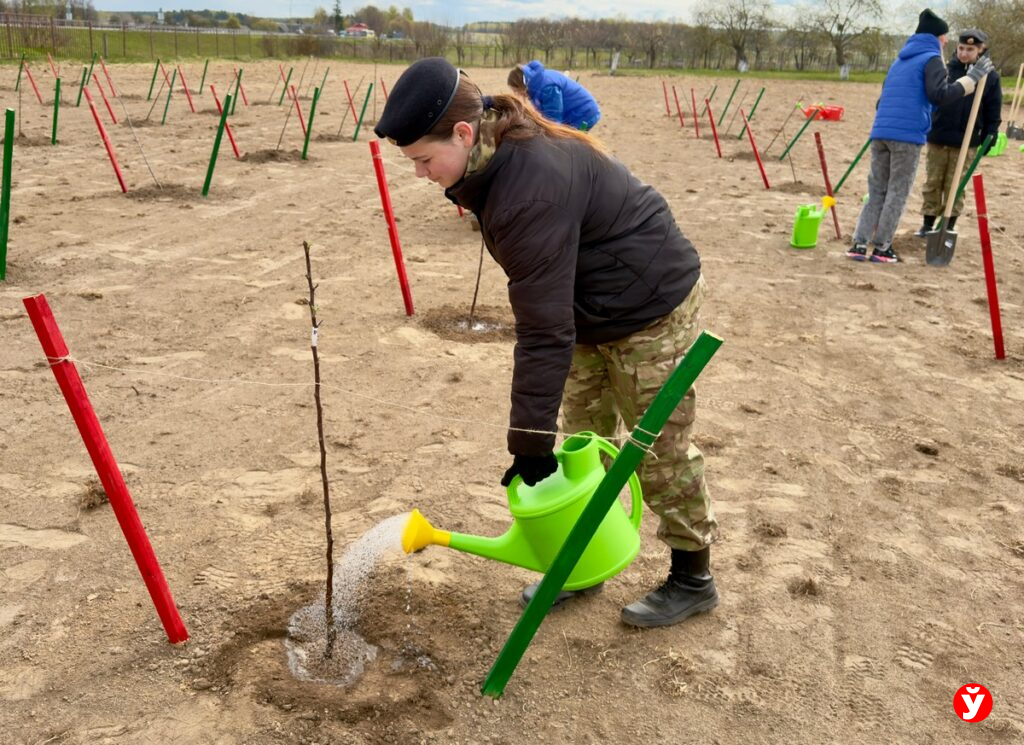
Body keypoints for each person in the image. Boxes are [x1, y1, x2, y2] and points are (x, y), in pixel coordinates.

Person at [375, 58, 716, 628]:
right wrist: (538, 440)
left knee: (656, 447)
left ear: (463, 133)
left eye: (423, 160)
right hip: (589, 306)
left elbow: (542, 329)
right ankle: (583, 560)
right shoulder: (492, 161)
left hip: (650, 306)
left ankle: (692, 576)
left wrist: (528, 441)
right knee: (584, 442)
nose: (419, 174)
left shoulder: (530, 185)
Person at [847, 8, 993, 264]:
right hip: (907, 137)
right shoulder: (931, 59)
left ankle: (859, 244)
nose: (947, 41)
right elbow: (940, 95)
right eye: (944, 36)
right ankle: (882, 248)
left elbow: (884, 101)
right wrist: (970, 81)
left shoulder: (899, 60)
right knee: (897, 192)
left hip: (880, 132)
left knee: (877, 189)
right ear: (936, 37)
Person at [916, 28, 1002, 238]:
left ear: (980, 50)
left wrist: (991, 133)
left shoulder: (990, 77)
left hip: (966, 140)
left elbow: (993, 108)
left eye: (970, 49)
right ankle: (928, 224)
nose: (964, 53)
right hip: (938, 136)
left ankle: (949, 225)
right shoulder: (944, 70)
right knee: (933, 181)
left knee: (956, 184)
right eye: (961, 48)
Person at [507, 60, 601, 131]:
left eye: (516, 91)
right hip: (573, 113)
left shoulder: (547, 88)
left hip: (584, 114)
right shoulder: (536, 84)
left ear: (521, 86)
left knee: (569, 145)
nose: (516, 94)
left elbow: (554, 119)